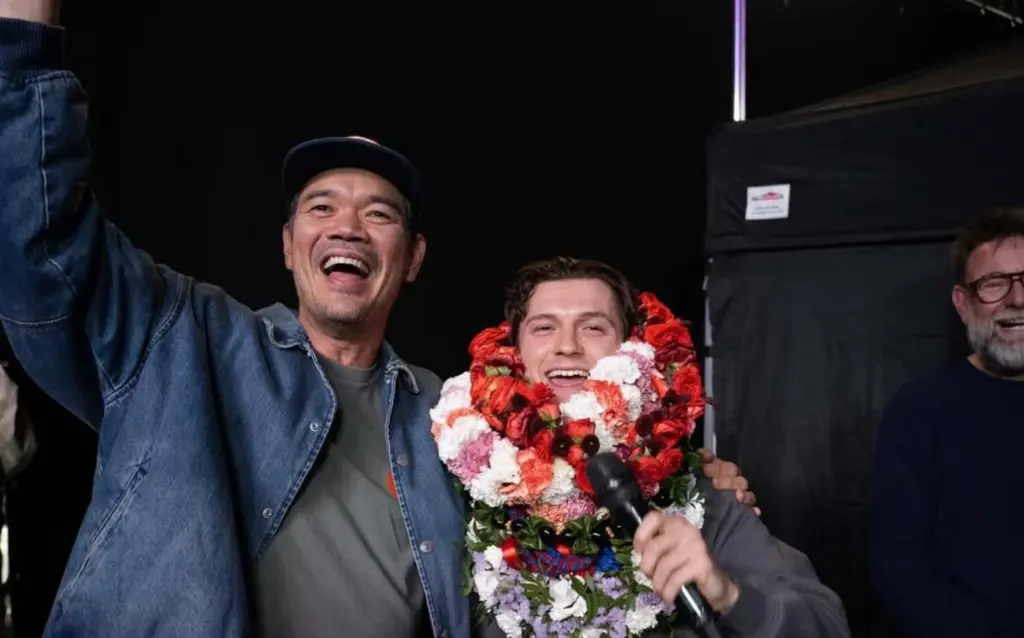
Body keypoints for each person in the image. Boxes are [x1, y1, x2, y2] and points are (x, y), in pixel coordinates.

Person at [0, 7, 756, 637]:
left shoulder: (454, 417)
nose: (348, 227)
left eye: (380, 214)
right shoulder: (182, 338)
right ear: (288, 244)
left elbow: (562, 480)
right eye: (322, 206)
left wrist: (690, 480)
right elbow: (40, 243)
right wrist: (24, 38)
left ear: (414, 257)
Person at [441, 258, 850, 637]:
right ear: (514, 352)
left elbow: (826, 626)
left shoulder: (696, 492)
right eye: (544, 327)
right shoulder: (458, 481)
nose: (567, 346)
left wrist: (728, 593)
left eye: (593, 327)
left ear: (630, 347)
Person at [870, 207, 1024, 638]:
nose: (1017, 298)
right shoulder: (919, 412)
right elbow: (897, 569)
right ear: (963, 303)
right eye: (994, 283)